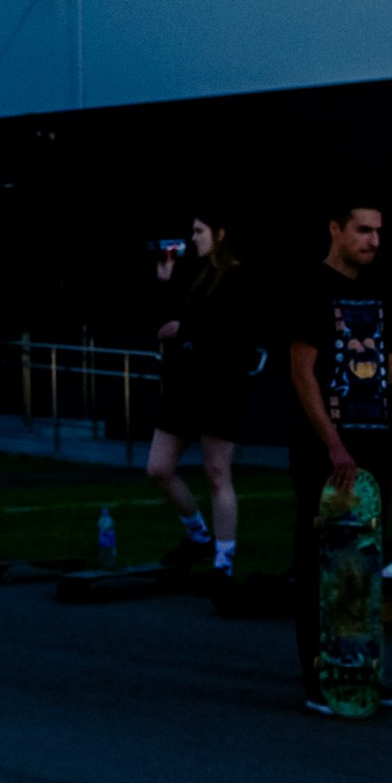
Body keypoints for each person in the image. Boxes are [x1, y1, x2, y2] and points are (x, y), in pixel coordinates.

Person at [287, 200, 392, 714]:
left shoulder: (378, 290)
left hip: (376, 442)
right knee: (324, 562)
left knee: (364, 564)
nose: (373, 240)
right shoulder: (311, 287)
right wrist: (333, 443)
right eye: (363, 230)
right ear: (336, 229)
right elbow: (302, 372)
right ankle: (319, 677)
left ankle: (362, 673)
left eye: (379, 231)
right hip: (327, 451)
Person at [147, 210, 259, 578]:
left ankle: (223, 560)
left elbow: (233, 336)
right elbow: (169, 323)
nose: (193, 238)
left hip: (219, 384)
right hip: (184, 382)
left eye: (199, 231)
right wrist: (164, 284)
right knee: (159, 467)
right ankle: (197, 535)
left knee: (216, 471)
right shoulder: (194, 273)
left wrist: (186, 329)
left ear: (221, 233)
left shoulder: (239, 277)